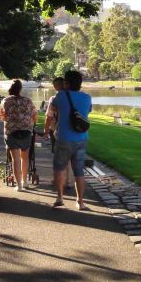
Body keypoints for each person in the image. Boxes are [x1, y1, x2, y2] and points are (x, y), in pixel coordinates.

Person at [48, 70, 92, 210]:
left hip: (63, 138)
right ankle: (80, 202)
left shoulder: (60, 96)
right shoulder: (87, 97)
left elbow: (53, 109)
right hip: (81, 138)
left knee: (59, 168)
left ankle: (60, 197)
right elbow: (88, 111)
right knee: (79, 171)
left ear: (66, 83)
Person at [0, 79, 38, 191]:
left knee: (15, 159)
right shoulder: (28, 101)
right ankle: (25, 182)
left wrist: (10, 120)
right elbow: (35, 115)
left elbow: (1, 115)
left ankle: (19, 185)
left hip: (12, 132)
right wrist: (31, 123)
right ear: (20, 89)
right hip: (26, 132)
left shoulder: (5, 101)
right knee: (25, 158)